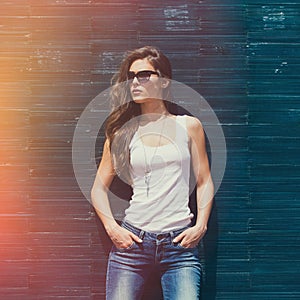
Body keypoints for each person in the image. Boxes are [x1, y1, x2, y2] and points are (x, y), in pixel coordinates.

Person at [91, 46, 214, 300]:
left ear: (165, 80)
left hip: (180, 247)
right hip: (133, 245)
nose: (135, 81)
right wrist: (112, 228)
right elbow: (98, 188)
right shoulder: (120, 133)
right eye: (131, 76)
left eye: (145, 75)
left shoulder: (189, 126)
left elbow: (204, 181)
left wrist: (201, 226)